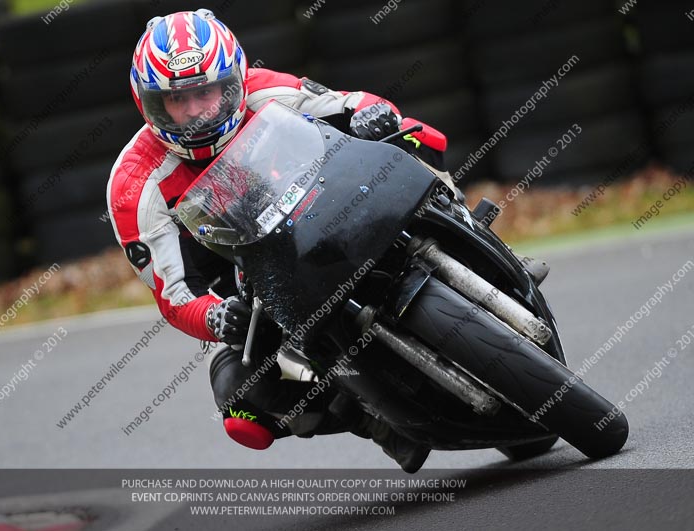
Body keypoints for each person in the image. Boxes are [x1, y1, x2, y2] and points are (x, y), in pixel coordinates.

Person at [107, 8, 546, 473]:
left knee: (415, 141)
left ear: (233, 81)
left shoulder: (265, 89)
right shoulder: (134, 186)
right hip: (249, 279)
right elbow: (174, 294)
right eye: (178, 100)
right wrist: (215, 317)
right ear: (150, 104)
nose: (195, 111)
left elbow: (352, 103)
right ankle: (377, 422)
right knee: (240, 395)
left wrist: (377, 117)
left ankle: (475, 239)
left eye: (205, 93)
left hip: (331, 204)